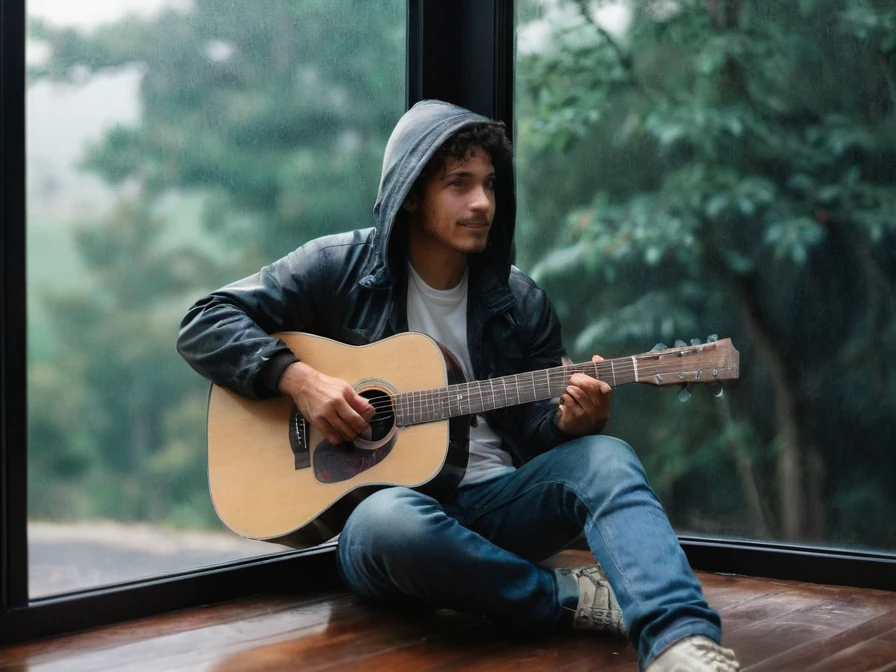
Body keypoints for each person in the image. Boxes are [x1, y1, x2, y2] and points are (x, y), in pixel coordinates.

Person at [177, 99, 740, 672]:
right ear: (412, 193)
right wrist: (300, 381)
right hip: (395, 528)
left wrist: (571, 423)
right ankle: (571, 598)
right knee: (387, 520)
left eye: (490, 185)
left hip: (502, 509)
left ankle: (680, 643)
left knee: (607, 457)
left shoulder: (520, 301)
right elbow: (204, 322)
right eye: (459, 184)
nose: (482, 204)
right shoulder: (338, 266)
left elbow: (539, 431)